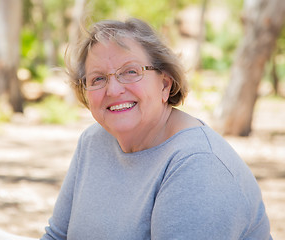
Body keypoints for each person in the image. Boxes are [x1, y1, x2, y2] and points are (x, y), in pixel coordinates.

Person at [40, 18, 272, 240]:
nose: (113, 90)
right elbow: (58, 236)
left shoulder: (198, 165)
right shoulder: (93, 141)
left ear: (164, 84)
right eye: (97, 79)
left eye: (130, 72)